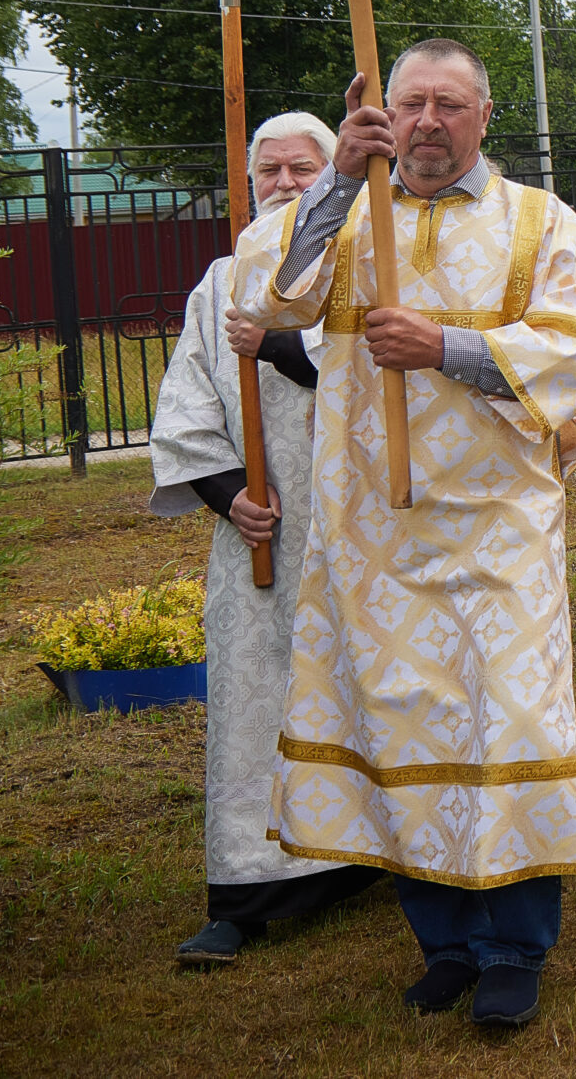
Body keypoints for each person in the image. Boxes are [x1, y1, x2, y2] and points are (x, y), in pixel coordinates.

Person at [231, 40, 576, 1029]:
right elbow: (265, 297)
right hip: (376, 537)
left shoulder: (542, 223)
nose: (428, 122)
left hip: (495, 536)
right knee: (403, 725)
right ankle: (442, 943)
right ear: (383, 116)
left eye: (448, 104)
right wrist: (331, 187)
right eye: (410, 105)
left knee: (506, 730)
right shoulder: (349, 217)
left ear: (484, 117)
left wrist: (448, 348)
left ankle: (515, 950)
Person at [152, 112, 384, 967]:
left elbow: (383, 387)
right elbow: (185, 412)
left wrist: (284, 344)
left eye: (302, 168)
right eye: (269, 171)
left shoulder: (369, 264)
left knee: (369, 686)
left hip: (364, 533)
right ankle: (245, 887)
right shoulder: (220, 284)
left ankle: (378, 855)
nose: (284, 183)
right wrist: (228, 496)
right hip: (267, 539)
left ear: (335, 172)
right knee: (257, 699)